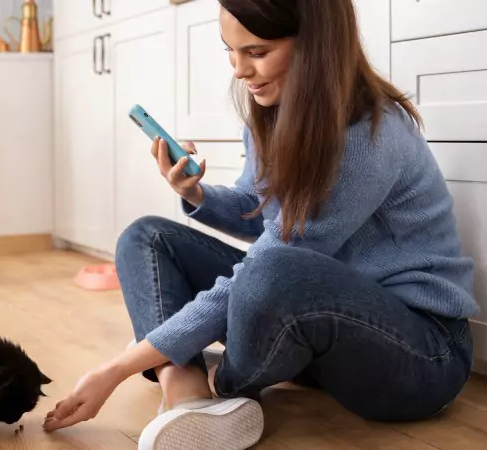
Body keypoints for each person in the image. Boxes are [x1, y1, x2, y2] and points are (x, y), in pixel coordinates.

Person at [43, 0, 480, 448]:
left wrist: (118, 368)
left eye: (255, 52)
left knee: (271, 271)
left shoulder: (370, 134)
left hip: (420, 353)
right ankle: (186, 390)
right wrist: (196, 193)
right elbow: (259, 211)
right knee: (148, 236)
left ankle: (224, 388)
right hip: (318, 330)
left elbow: (274, 260)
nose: (239, 70)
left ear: (317, 44)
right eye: (230, 52)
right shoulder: (272, 109)